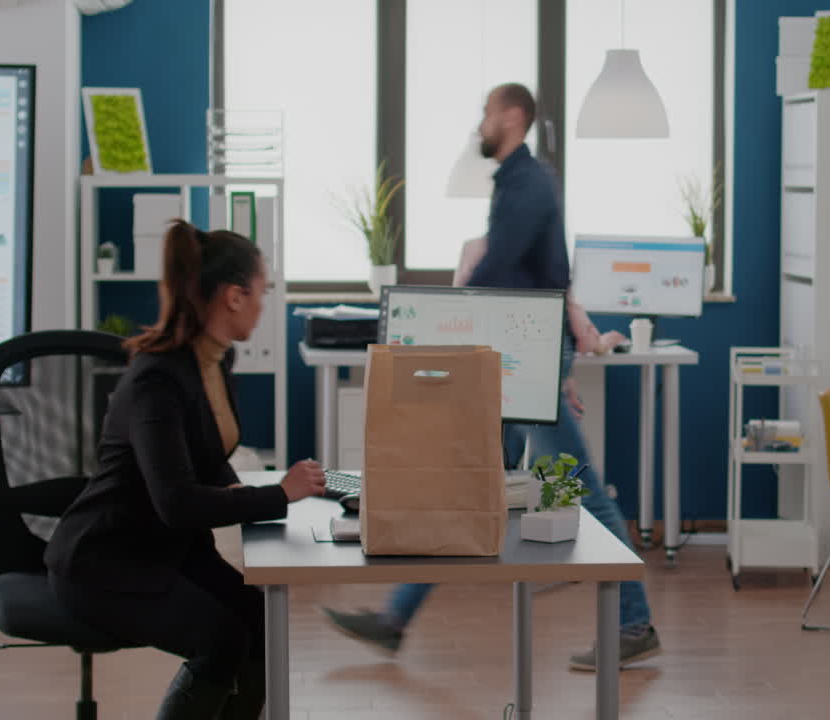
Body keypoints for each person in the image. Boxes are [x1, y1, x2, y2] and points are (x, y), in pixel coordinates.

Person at [322, 83, 661, 672]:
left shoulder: (528, 185)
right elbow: (540, 276)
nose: (479, 124)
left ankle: (634, 622)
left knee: (580, 489)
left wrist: (540, 362)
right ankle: (395, 619)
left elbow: (502, 272)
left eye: (486, 113)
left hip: (522, 361)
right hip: (521, 357)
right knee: (464, 486)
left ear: (513, 116)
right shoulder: (518, 183)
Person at [45, 220, 328, 720]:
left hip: (166, 551)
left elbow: (208, 458)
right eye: (262, 291)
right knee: (220, 639)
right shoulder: (158, 378)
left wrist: (259, 492)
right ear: (234, 296)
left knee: (261, 621)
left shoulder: (216, 361)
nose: (265, 305)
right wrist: (277, 495)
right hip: (105, 563)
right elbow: (176, 503)